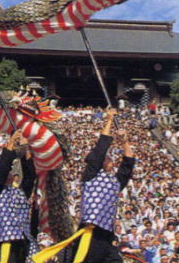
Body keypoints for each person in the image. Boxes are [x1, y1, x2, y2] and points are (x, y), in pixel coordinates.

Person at [34, 109, 135, 263]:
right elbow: (101, 147)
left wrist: (125, 141)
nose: (111, 159)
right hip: (90, 233)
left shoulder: (115, 182)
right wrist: (109, 120)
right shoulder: (91, 176)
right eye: (108, 158)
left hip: (107, 235)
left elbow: (127, 166)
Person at [0, 130, 38, 263]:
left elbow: (30, 176)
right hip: (6, 242)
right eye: (8, 173)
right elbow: (2, 170)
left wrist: (25, 149)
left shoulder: (21, 192)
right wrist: (11, 143)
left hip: (23, 242)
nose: (10, 173)